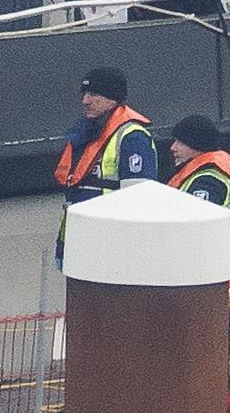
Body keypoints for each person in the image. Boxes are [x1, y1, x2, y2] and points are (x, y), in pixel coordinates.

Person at [53, 67, 156, 268]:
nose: (85, 101)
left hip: (111, 246)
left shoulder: (133, 137)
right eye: (84, 94)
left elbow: (139, 200)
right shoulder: (84, 134)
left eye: (93, 95)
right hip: (81, 241)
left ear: (112, 98)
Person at [166, 114, 230, 258]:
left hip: (206, 265)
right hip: (212, 264)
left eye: (180, 143)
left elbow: (195, 227)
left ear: (197, 147)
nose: (173, 148)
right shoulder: (205, 173)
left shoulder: (208, 181)